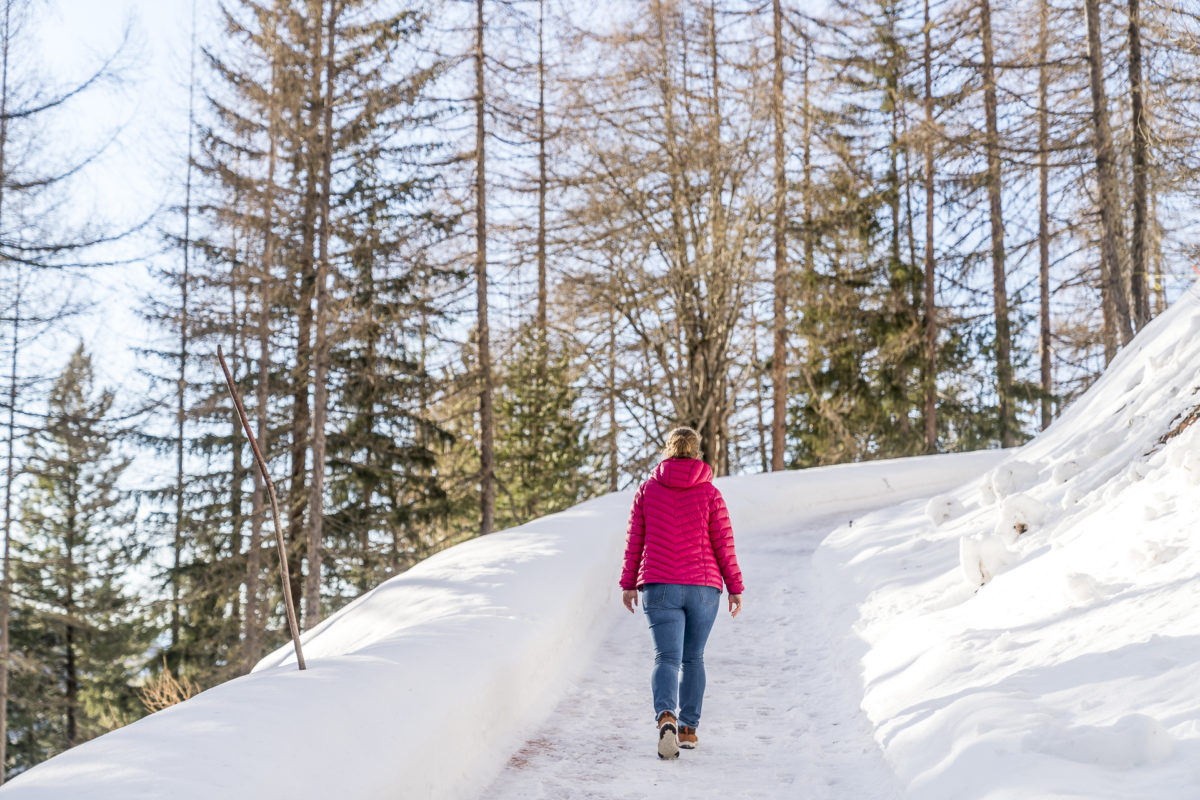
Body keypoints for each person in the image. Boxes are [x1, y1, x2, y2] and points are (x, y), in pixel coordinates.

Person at [619, 426, 744, 760]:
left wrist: (628, 582)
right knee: (694, 658)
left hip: (661, 586)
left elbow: (636, 540)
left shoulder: (647, 490)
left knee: (666, 658)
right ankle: (688, 730)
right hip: (703, 588)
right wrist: (735, 588)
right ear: (697, 452)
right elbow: (724, 545)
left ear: (668, 451)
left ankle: (666, 717)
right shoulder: (711, 494)